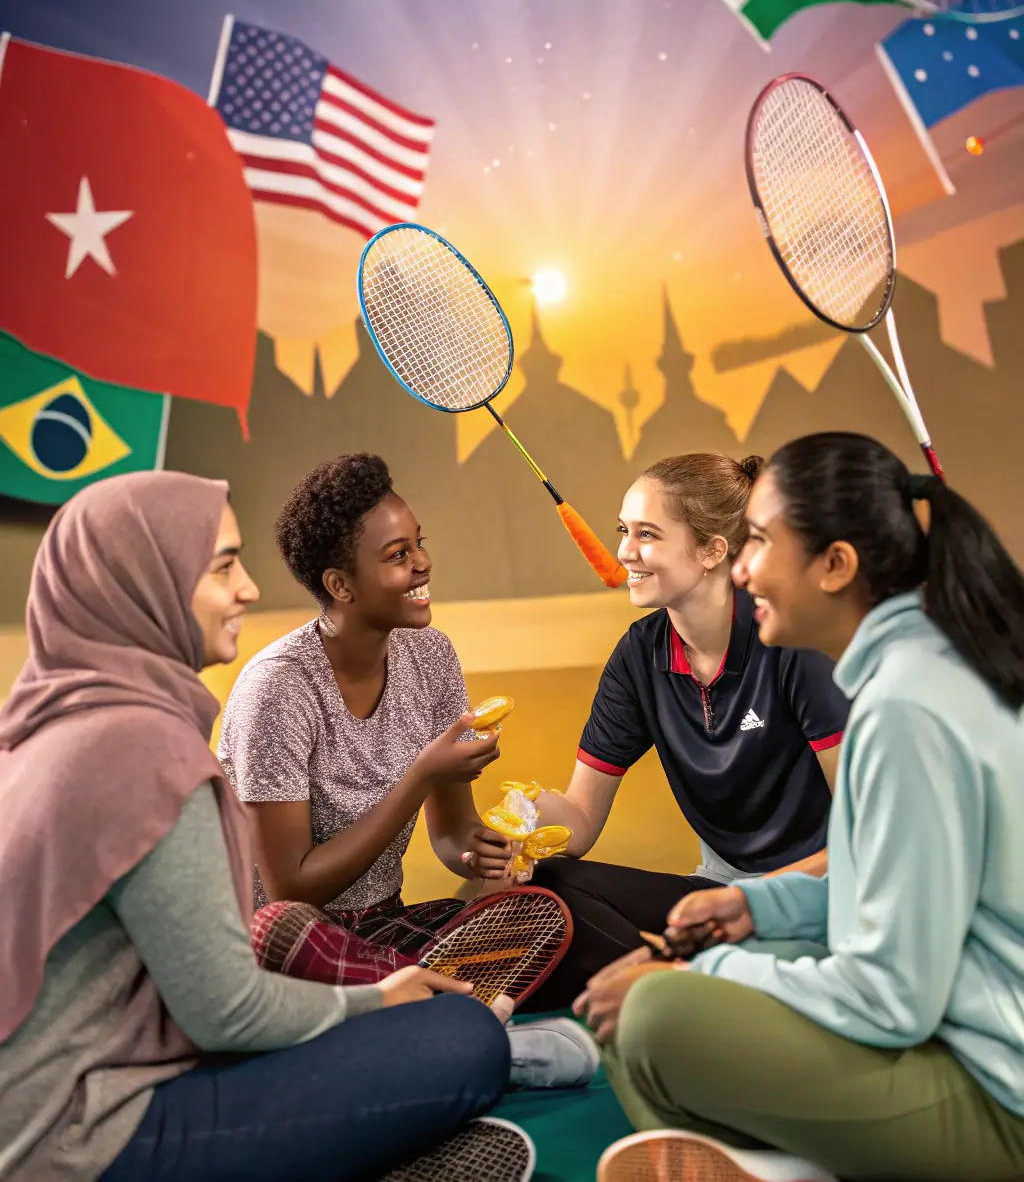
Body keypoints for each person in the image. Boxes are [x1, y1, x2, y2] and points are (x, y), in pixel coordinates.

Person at [0, 470, 531, 1182]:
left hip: (51, 1103)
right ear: (147, 584)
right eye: (223, 566)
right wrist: (379, 1000)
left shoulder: (42, 725)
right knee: (466, 1037)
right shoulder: (147, 752)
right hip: (87, 1132)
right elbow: (228, 1010)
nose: (250, 589)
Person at [583, 433, 1024, 1182]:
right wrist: (756, 906)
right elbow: (886, 891)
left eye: (758, 541)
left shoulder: (904, 709)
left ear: (836, 565)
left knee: (651, 1015)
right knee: (652, 993)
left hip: (995, 1085)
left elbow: (893, 997)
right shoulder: (910, 671)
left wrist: (712, 970)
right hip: (953, 1017)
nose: (742, 567)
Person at [216, 453, 596, 1086]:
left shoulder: (431, 655)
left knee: (543, 910)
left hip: (382, 934)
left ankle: (424, 1026)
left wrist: (484, 854)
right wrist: (418, 775)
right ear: (341, 585)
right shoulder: (276, 690)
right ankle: (473, 1031)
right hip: (289, 949)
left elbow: (451, 835)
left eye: (419, 544)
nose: (422, 563)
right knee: (284, 931)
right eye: (398, 555)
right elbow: (290, 890)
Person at [486, 452, 850, 1011]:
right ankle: (688, 984)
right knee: (549, 888)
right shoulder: (639, 655)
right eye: (623, 531)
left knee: (587, 960)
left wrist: (760, 903)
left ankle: (680, 986)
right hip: (719, 891)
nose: (625, 552)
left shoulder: (791, 642)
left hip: (820, 898)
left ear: (711, 551)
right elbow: (580, 820)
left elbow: (867, 834)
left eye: (647, 534)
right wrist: (523, 820)